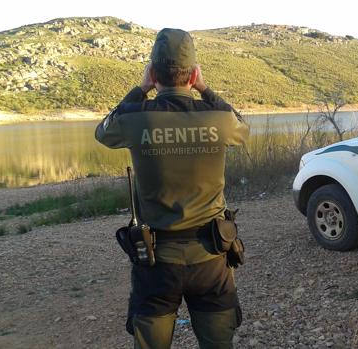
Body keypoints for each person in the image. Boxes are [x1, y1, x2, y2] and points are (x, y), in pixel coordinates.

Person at [95, 28, 249, 349]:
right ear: (193, 74)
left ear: (153, 74)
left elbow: (103, 132)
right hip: (211, 257)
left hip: (155, 263)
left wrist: (139, 90)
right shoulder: (217, 118)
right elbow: (242, 127)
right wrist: (205, 89)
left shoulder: (137, 117)